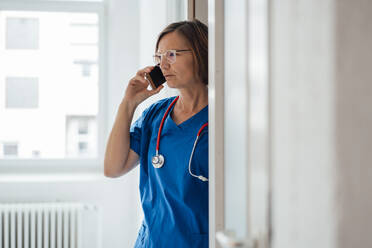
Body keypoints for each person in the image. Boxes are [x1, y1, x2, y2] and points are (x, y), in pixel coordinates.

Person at [104, 19, 209, 247]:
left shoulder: (222, 121)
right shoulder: (155, 115)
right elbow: (113, 168)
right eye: (158, 57)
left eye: (172, 55)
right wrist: (128, 104)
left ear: (200, 54)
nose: (163, 65)